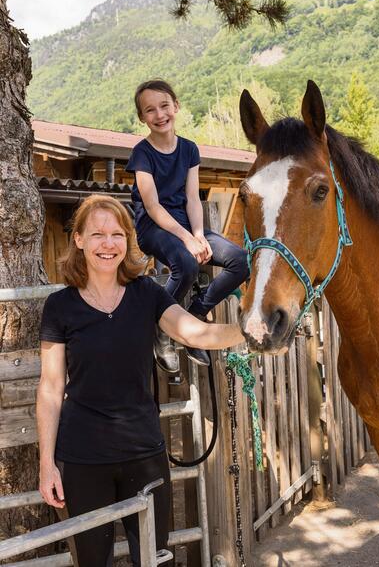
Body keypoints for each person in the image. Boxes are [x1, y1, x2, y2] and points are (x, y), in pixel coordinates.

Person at [37, 194, 244, 567]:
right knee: (92, 561)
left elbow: (195, 333)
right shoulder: (60, 307)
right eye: (97, 234)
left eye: (117, 234)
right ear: (79, 239)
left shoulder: (146, 294)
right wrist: (46, 464)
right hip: (83, 459)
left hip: (144, 455)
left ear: (127, 242)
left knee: (152, 559)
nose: (108, 244)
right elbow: (51, 389)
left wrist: (249, 331)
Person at [126, 79, 249, 373]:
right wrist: (187, 239)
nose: (159, 114)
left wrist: (198, 234)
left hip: (186, 226)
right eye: (150, 110)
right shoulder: (142, 153)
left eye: (164, 106)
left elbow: (193, 198)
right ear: (143, 117)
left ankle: (195, 315)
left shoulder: (189, 150)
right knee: (187, 265)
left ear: (176, 106)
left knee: (241, 260)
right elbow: (153, 207)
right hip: (154, 229)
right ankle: (163, 330)